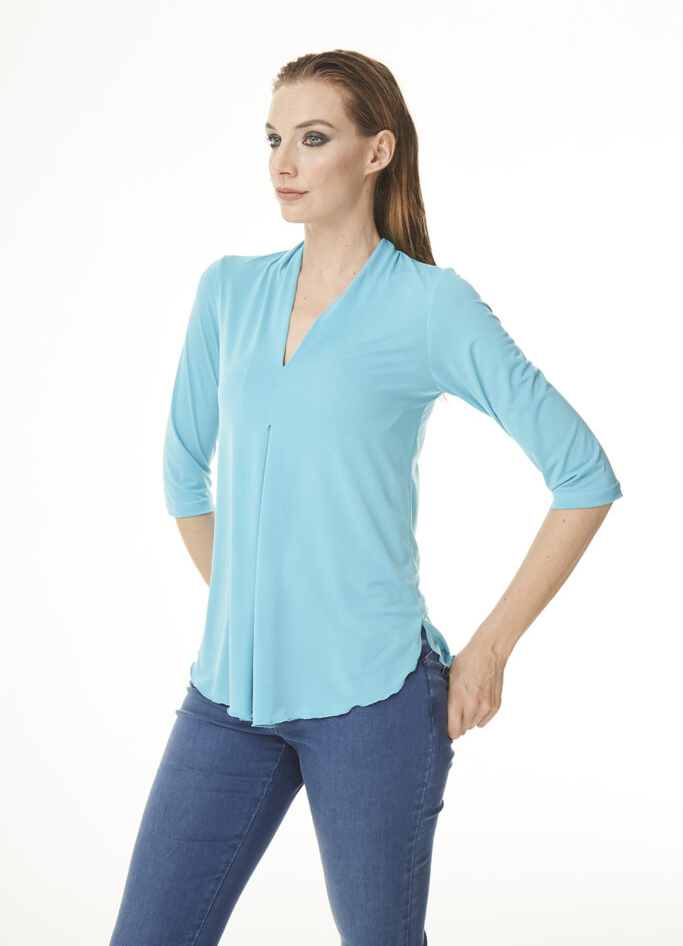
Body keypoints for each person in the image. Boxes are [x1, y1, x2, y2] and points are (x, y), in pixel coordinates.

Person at [108, 49, 623, 946]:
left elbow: (583, 476)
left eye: (313, 139)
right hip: (228, 698)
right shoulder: (228, 290)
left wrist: (487, 652)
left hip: (375, 703)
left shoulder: (429, 305)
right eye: (273, 139)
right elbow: (183, 476)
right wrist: (254, 609)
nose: (283, 163)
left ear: (377, 151)